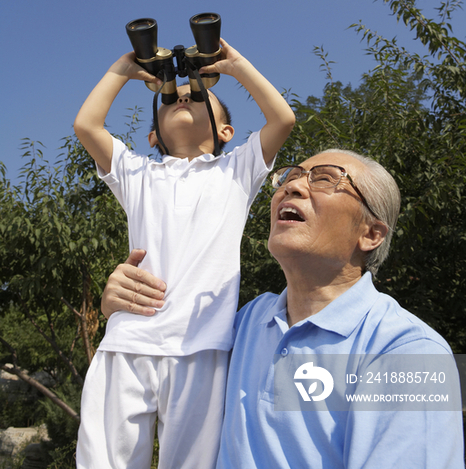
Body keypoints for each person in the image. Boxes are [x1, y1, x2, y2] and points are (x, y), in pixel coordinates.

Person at [102, 149, 465, 469]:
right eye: (289, 177)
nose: (291, 187)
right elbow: (164, 346)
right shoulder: (243, 324)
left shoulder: (409, 353)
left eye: (325, 179)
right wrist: (122, 307)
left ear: (370, 234)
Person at [73, 37, 296, 469]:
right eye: (172, 97)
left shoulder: (237, 169)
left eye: (197, 93)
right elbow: (87, 125)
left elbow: (282, 118)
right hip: (129, 340)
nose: (183, 96)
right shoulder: (137, 172)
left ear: (226, 132)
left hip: (203, 345)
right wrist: (123, 68)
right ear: (154, 135)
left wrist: (235, 65)